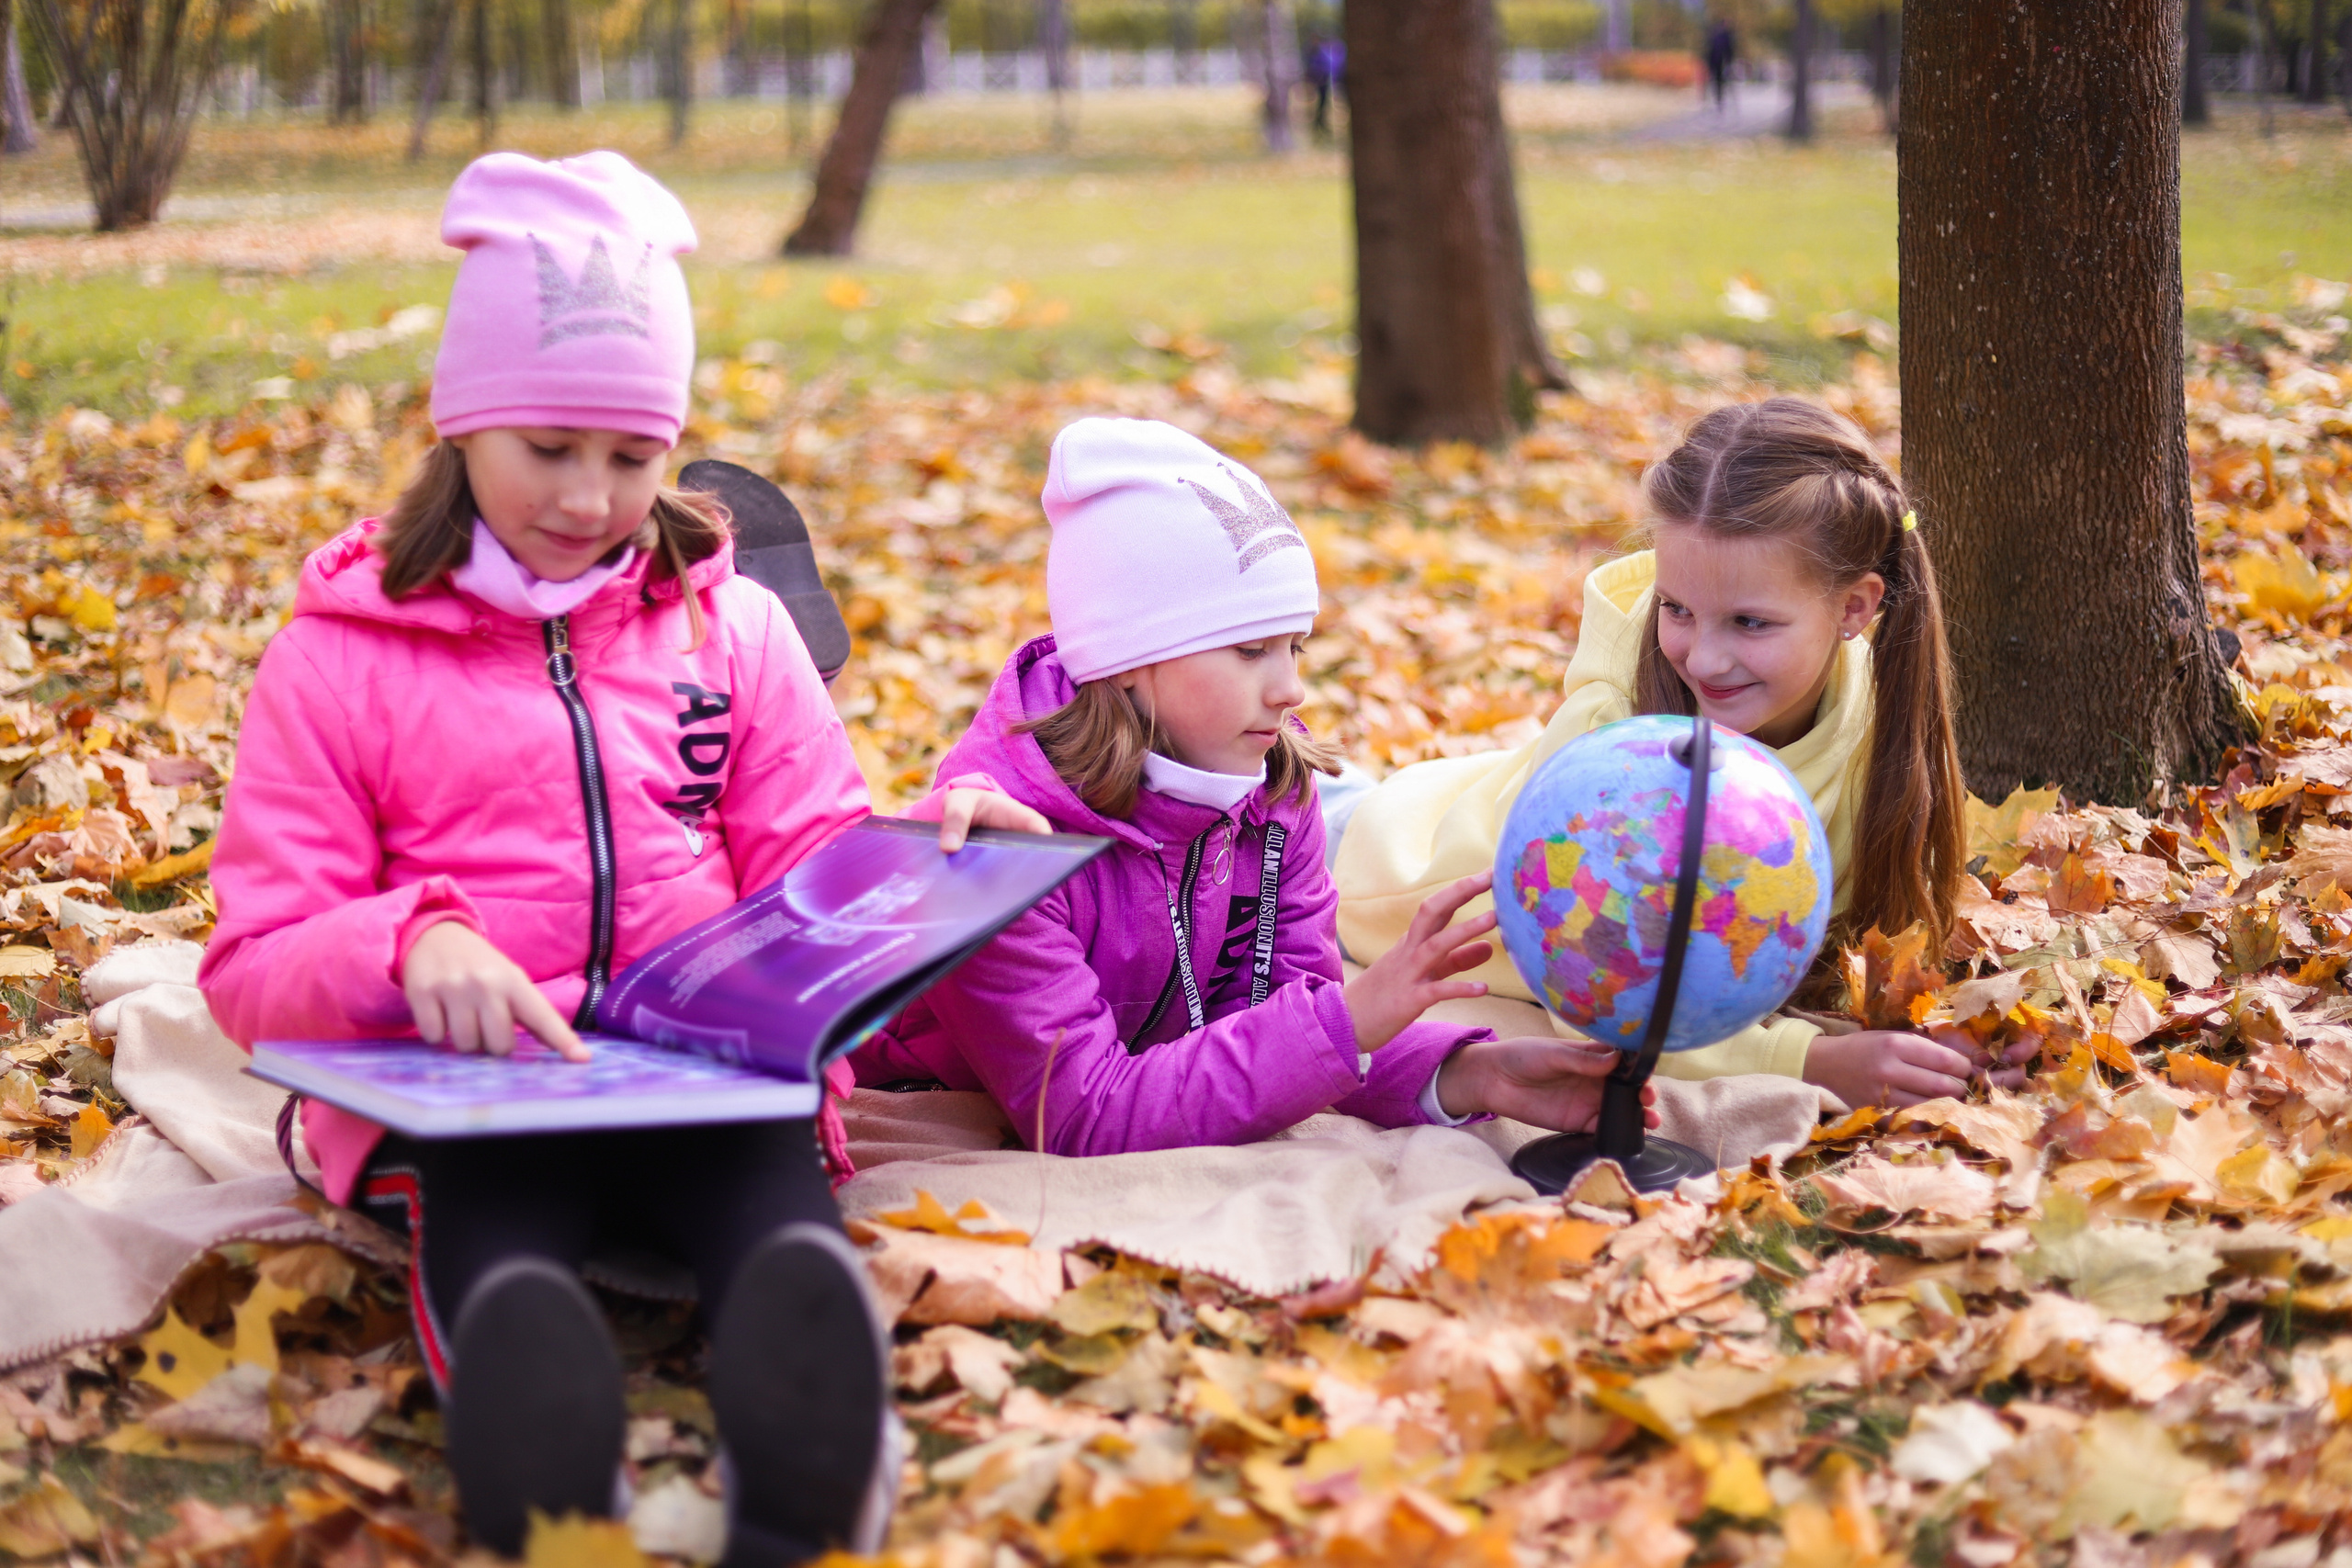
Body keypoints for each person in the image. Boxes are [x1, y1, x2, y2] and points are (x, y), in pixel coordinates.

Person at [198, 151, 1045, 1567]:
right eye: (550, 447)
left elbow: (814, 853)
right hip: (476, 1088)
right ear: (461, 423)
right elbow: (252, 963)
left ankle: (805, 1472)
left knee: (768, 1212)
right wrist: (412, 941)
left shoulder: (733, 630)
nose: (592, 497)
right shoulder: (336, 661)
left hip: (712, 1072)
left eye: (635, 456)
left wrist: (932, 859)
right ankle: (551, 1481)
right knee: (501, 1233)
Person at [852, 417, 1656, 1154]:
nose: (1291, 689)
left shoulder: (1274, 783)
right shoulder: (1003, 839)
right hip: (958, 1089)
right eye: (1249, 651)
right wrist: (1351, 1019)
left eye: (1294, 645)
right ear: (1127, 658)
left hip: (1156, 1071)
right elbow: (1086, 1111)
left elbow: (1281, 1027)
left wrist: (1469, 1075)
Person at [1334, 398, 1997, 1113]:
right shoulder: (1610, 736)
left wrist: (1944, 1040)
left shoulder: (1878, 708)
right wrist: (1810, 1060)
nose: (1703, 657)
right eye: (1676, 608)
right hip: (1367, 861)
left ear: (1855, 608)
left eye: (1749, 622)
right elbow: (1602, 990)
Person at [1704, 20, 1736, 111]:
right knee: (1719, 82)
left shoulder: (1717, 36)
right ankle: (1719, 100)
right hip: (1719, 62)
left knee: (1719, 82)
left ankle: (1720, 100)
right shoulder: (1723, 36)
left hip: (1719, 62)